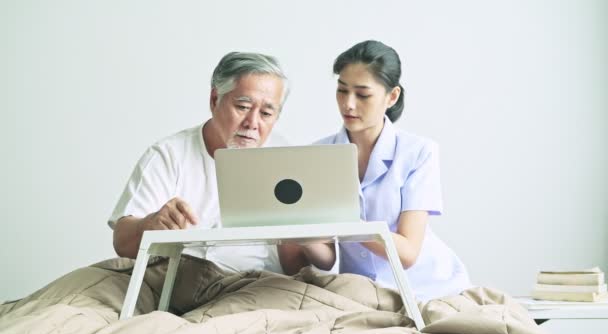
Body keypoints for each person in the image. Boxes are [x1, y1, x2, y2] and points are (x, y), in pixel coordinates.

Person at [278, 40, 471, 302]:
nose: (348, 104)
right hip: (361, 294)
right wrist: (304, 235)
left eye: (362, 94)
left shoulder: (418, 152)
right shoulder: (316, 155)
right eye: (341, 91)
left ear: (392, 96)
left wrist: (343, 224)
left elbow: (407, 253)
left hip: (429, 288)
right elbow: (326, 260)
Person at [109, 51, 289, 274]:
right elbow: (121, 241)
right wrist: (150, 224)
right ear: (215, 100)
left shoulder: (284, 160)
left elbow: (294, 264)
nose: (252, 123)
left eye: (266, 113)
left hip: (247, 284)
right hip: (172, 278)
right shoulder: (169, 154)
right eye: (242, 107)